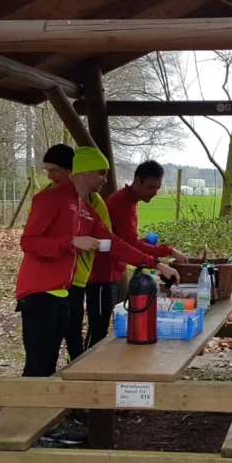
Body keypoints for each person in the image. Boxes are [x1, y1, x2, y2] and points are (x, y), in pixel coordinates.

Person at [16, 147, 180, 380]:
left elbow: (115, 244)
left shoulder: (85, 208)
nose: (105, 179)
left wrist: (157, 264)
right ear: (84, 171)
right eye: (101, 173)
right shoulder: (49, 199)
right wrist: (71, 241)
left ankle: (50, 402)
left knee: (50, 364)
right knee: (37, 366)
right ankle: (21, 403)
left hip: (64, 292)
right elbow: (28, 242)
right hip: (38, 293)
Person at [87, 160, 187, 337]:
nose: (154, 192)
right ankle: (85, 356)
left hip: (113, 272)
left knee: (102, 327)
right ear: (137, 181)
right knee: (97, 331)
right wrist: (167, 251)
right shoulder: (122, 203)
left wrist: (149, 244)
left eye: (157, 188)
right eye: (150, 187)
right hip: (101, 274)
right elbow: (130, 245)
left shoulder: (131, 201)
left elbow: (128, 240)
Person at [34, 144, 109, 361]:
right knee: (45, 349)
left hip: (77, 279)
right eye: (47, 171)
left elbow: (108, 237)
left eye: (54, 171)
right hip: (47, 282)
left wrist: (152, 260)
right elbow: (33, 239)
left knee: (73, 336)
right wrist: (71, 241)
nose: (50, 176)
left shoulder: (94, 202)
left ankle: (74, 372)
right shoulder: (45, 196)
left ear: (72, 171)